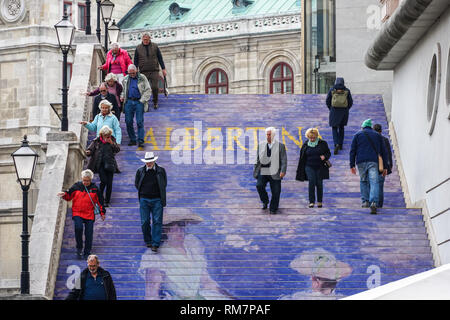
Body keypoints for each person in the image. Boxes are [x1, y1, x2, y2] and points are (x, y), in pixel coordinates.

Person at [138, 213, 232, 300]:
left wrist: (227, 295)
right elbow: (152, 294)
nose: (180, 233)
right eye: (174, 230)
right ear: (164, 232)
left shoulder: (192, 245)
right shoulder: (156, 256)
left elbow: (206, 280)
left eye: (181, 228)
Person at [57, 170, 105, 259]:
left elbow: (100, 201)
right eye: (84, 180)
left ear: (90, 179)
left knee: (89, 233)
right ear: (82, 179)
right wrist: (64, 194)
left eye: (87, 181)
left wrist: (102, 213)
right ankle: (79, 248)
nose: (85, 182)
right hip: (77, 212)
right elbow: (68, 196)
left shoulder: (95, 189)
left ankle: (87, 251)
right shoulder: (76, 186)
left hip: (89, 214)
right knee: (78, 228)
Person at [350, 119, 388, 214]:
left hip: (361, 161)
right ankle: (374, 202)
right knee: (374, 181)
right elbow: (384, 151)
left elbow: (352, 151)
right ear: (371, 127)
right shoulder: (377, 135)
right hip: (373, 161)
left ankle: (365, 201)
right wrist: (386, 167)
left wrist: (352, 165)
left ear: (363, 127)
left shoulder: (357, 135)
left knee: (363, 181)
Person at [135, 152, 167, 253]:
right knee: (144, 221)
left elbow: (164, 184)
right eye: (147, 162)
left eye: (150, 161)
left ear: (154, 161)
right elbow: (137, 184)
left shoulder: (161, 170)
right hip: (144, 199)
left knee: (157, 221)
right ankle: (147, 240)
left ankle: (155, 243)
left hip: (157, 199)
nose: (148, 163)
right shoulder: (140, 171)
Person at [253, 127, 287, 214]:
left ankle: (273, 208)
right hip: (263, 170)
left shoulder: (281, 146)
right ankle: (265, 201)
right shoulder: (260, 145)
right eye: (267, 134)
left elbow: (283, 160)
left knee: (276, 191)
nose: (268, 136)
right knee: (259, 185)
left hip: (275, 171)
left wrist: (283, 171)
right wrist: (256, 171)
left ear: (274, 135)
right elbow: (257, 159)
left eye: (270, 134)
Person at [295, 128, 331, 208]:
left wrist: (325, 156)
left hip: (320, 166)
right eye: (310, 137)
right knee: (311, 182)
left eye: (314, 137)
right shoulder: (305, 144)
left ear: (316, 136)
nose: (312, 139)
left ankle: (319, 201)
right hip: (309, 166)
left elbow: (328, 153)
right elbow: (302, 157)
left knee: (319, 184)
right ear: (308, 136)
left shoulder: (323, 143)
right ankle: (311, 202)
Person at [86, 125, 120, 207]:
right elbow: (90, 149)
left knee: (109, 183)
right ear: (101, 134)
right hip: (100, 164)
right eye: (105, 135)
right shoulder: (97, 141)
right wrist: (88, 152)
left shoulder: (112, 140)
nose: (107, 137)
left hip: (110, 164)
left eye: (108, 135)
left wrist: (111, 143)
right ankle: (100, 197)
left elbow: (117, 150)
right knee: (104, 181)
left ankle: (107, 201)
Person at [134, 33, 167, 110]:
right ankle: (145, 103)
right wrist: (135, 69)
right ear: (142, 39)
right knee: (144, 88)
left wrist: (163, 69)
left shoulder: (155, 46)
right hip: (143, 71)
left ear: (150, 39)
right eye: (144, 39)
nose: (145, 41)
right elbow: (135, 60)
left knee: (155, 87)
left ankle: (155, 102)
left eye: (147, 39)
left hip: (154, 70)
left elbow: (160, 58)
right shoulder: (138, 48)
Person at [121, 64, 151, 148]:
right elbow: (123, 90)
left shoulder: (142, 77)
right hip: (129, 101)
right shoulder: (125, 79)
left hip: (139, 101)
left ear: (136, 71)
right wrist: (122, 96)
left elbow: (148, 90)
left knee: (139, 121)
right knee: (128, 121)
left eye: (133, 73)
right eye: (130, 73)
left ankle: (141, 140)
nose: (131, 75)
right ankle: (133, 139)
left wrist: (142, 100)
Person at [325, 77, 353, 155]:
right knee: (341, 127)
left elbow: (327, 101)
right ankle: (340, 144)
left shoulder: (332, 90)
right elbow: (350, 102)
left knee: (334, 128)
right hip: (344, 111)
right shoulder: (347, 90)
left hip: (334, 111)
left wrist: (331, 108)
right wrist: (346, 108)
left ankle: (336, 143)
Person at [373, 123, 393, 208]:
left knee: (373, 185)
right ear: (381, 131)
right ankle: (379, 205)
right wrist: (390, 165)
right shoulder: (385, 140)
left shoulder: (372, 139)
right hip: (383, 166)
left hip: (373, 165)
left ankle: (373, 202)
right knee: (380, 186)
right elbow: (388, 153)